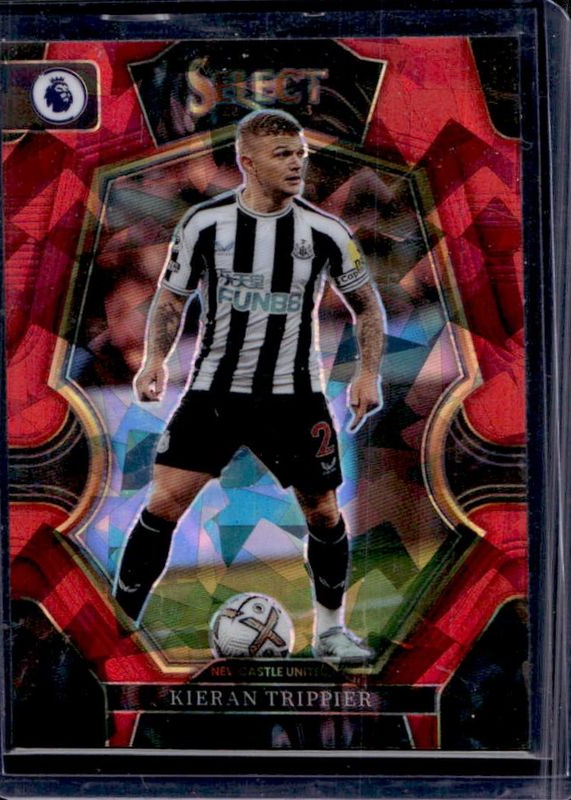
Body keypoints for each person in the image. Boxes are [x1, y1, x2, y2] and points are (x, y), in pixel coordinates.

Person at [114, 109, 385, 663]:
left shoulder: (326, 232)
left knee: (323, 512)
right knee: (163, 504)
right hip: (215, 393)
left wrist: (367, 373)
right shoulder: (204, 225)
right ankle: (115, 627)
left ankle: (330, 631)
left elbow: (367, 306)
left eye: (300, 154)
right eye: (283, 154)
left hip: (294, 396)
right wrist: (155, 359)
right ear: (248, 163)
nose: (297, 163)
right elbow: (171, 298)